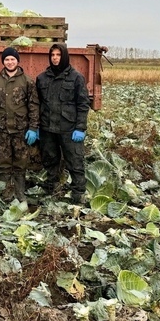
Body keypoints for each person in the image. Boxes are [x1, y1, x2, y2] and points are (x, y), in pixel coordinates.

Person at [0, 47, 40, 202]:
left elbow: (33, 106)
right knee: (3, 162)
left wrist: (33, 128)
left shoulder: (27, 81)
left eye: (12, 59)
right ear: (3, 62)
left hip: (21, 129)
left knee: (21, 162)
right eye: (6, 59)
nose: (9, 62)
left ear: (17, 61)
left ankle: (20, 192)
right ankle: (6, 193)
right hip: (1, 129)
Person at [36, 43, 91, 204]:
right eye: (52, 55)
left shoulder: (76, 78)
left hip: (69, 128)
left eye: (58, 55)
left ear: (65, 56)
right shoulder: (42, 78)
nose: (55, 58)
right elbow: (37, 104)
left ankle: (78, 192)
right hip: (48, 127)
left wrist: (80, 127)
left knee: (75, 160)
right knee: (49, 159)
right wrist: (37, 126)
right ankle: (51, 187)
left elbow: (83, 104)